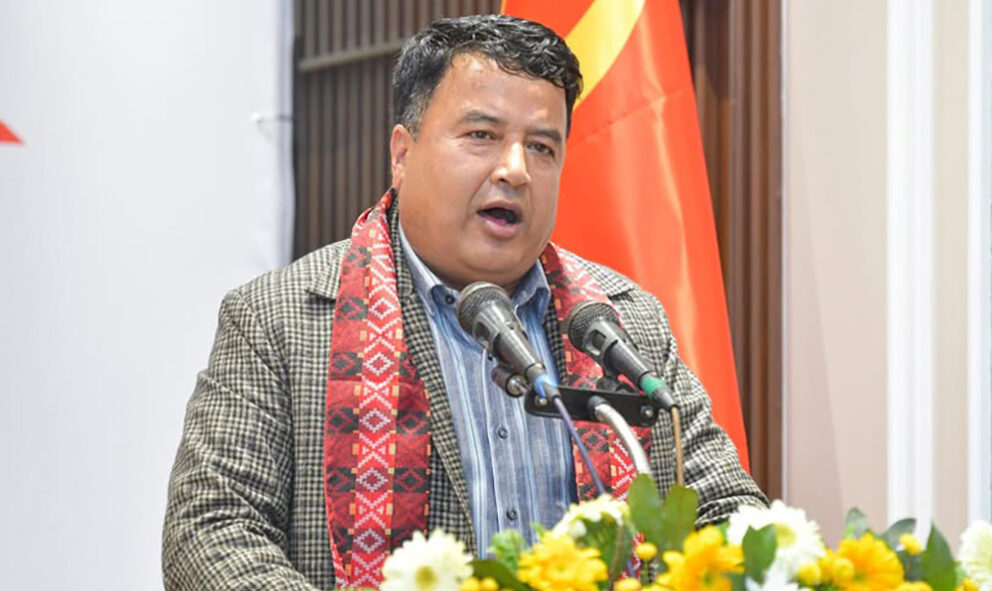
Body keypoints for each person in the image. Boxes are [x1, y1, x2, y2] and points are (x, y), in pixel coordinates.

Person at [162, 14, 767, 590]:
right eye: (482, 136)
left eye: (542, 147)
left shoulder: (620, 320)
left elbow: (726, 509)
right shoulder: (279, 318)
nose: (515, 170)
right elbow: (210, 533)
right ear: (402, 154)